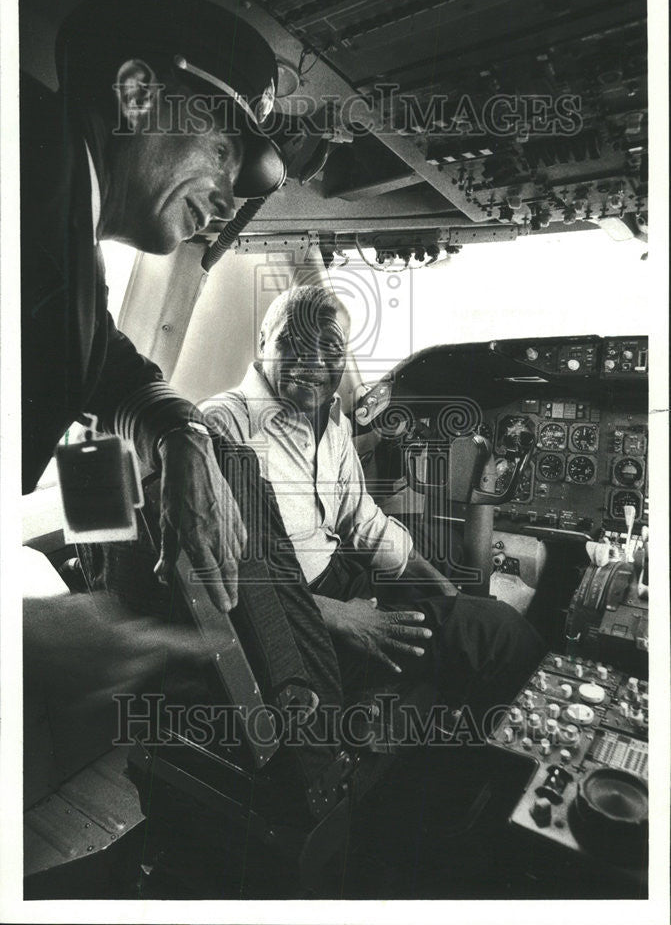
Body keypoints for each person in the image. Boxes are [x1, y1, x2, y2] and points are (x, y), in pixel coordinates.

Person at [20, 0, 290, 786]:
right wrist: (26, 641)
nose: (231, 193)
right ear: (137, 95)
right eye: (222, 150)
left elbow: (116, 373)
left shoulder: (64, 223)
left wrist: (183, 440)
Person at [200, 285, 545, 719]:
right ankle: (484, 764)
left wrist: (444, 589)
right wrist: (342, 617)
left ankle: (461, 722)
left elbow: (359, 517)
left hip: (338, 579)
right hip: (292, 623)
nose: (314, 361)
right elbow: (229, 575)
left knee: (453, 576)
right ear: (265, 340)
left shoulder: (331, 418)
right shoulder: (221, 427)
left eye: (331, 347)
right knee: (503, 637)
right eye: (295, 340)